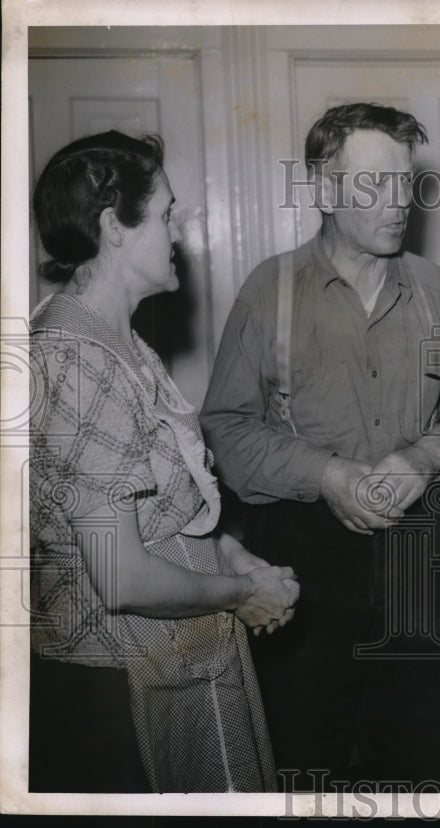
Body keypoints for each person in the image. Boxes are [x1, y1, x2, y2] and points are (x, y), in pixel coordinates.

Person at [200, 102, 440, 785]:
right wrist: (326, 472)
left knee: (421, 767)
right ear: (324, 188)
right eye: (373, 184)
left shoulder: (434, 291)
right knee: (304, 763)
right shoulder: (269, 292)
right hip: (301, 568)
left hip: (416, 564)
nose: (398, 203)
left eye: (404, 182)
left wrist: (423, 458)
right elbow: (226, 427)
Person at [29, 131, 299, 793]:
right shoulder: (76, 359)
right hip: (115, 682)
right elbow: (120, 577)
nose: (180, 230)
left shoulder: (120, 342)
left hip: (176, 660)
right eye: (166, 213)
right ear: (112, 228)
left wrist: (240, 560)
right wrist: (243, 594)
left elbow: (167, 507)